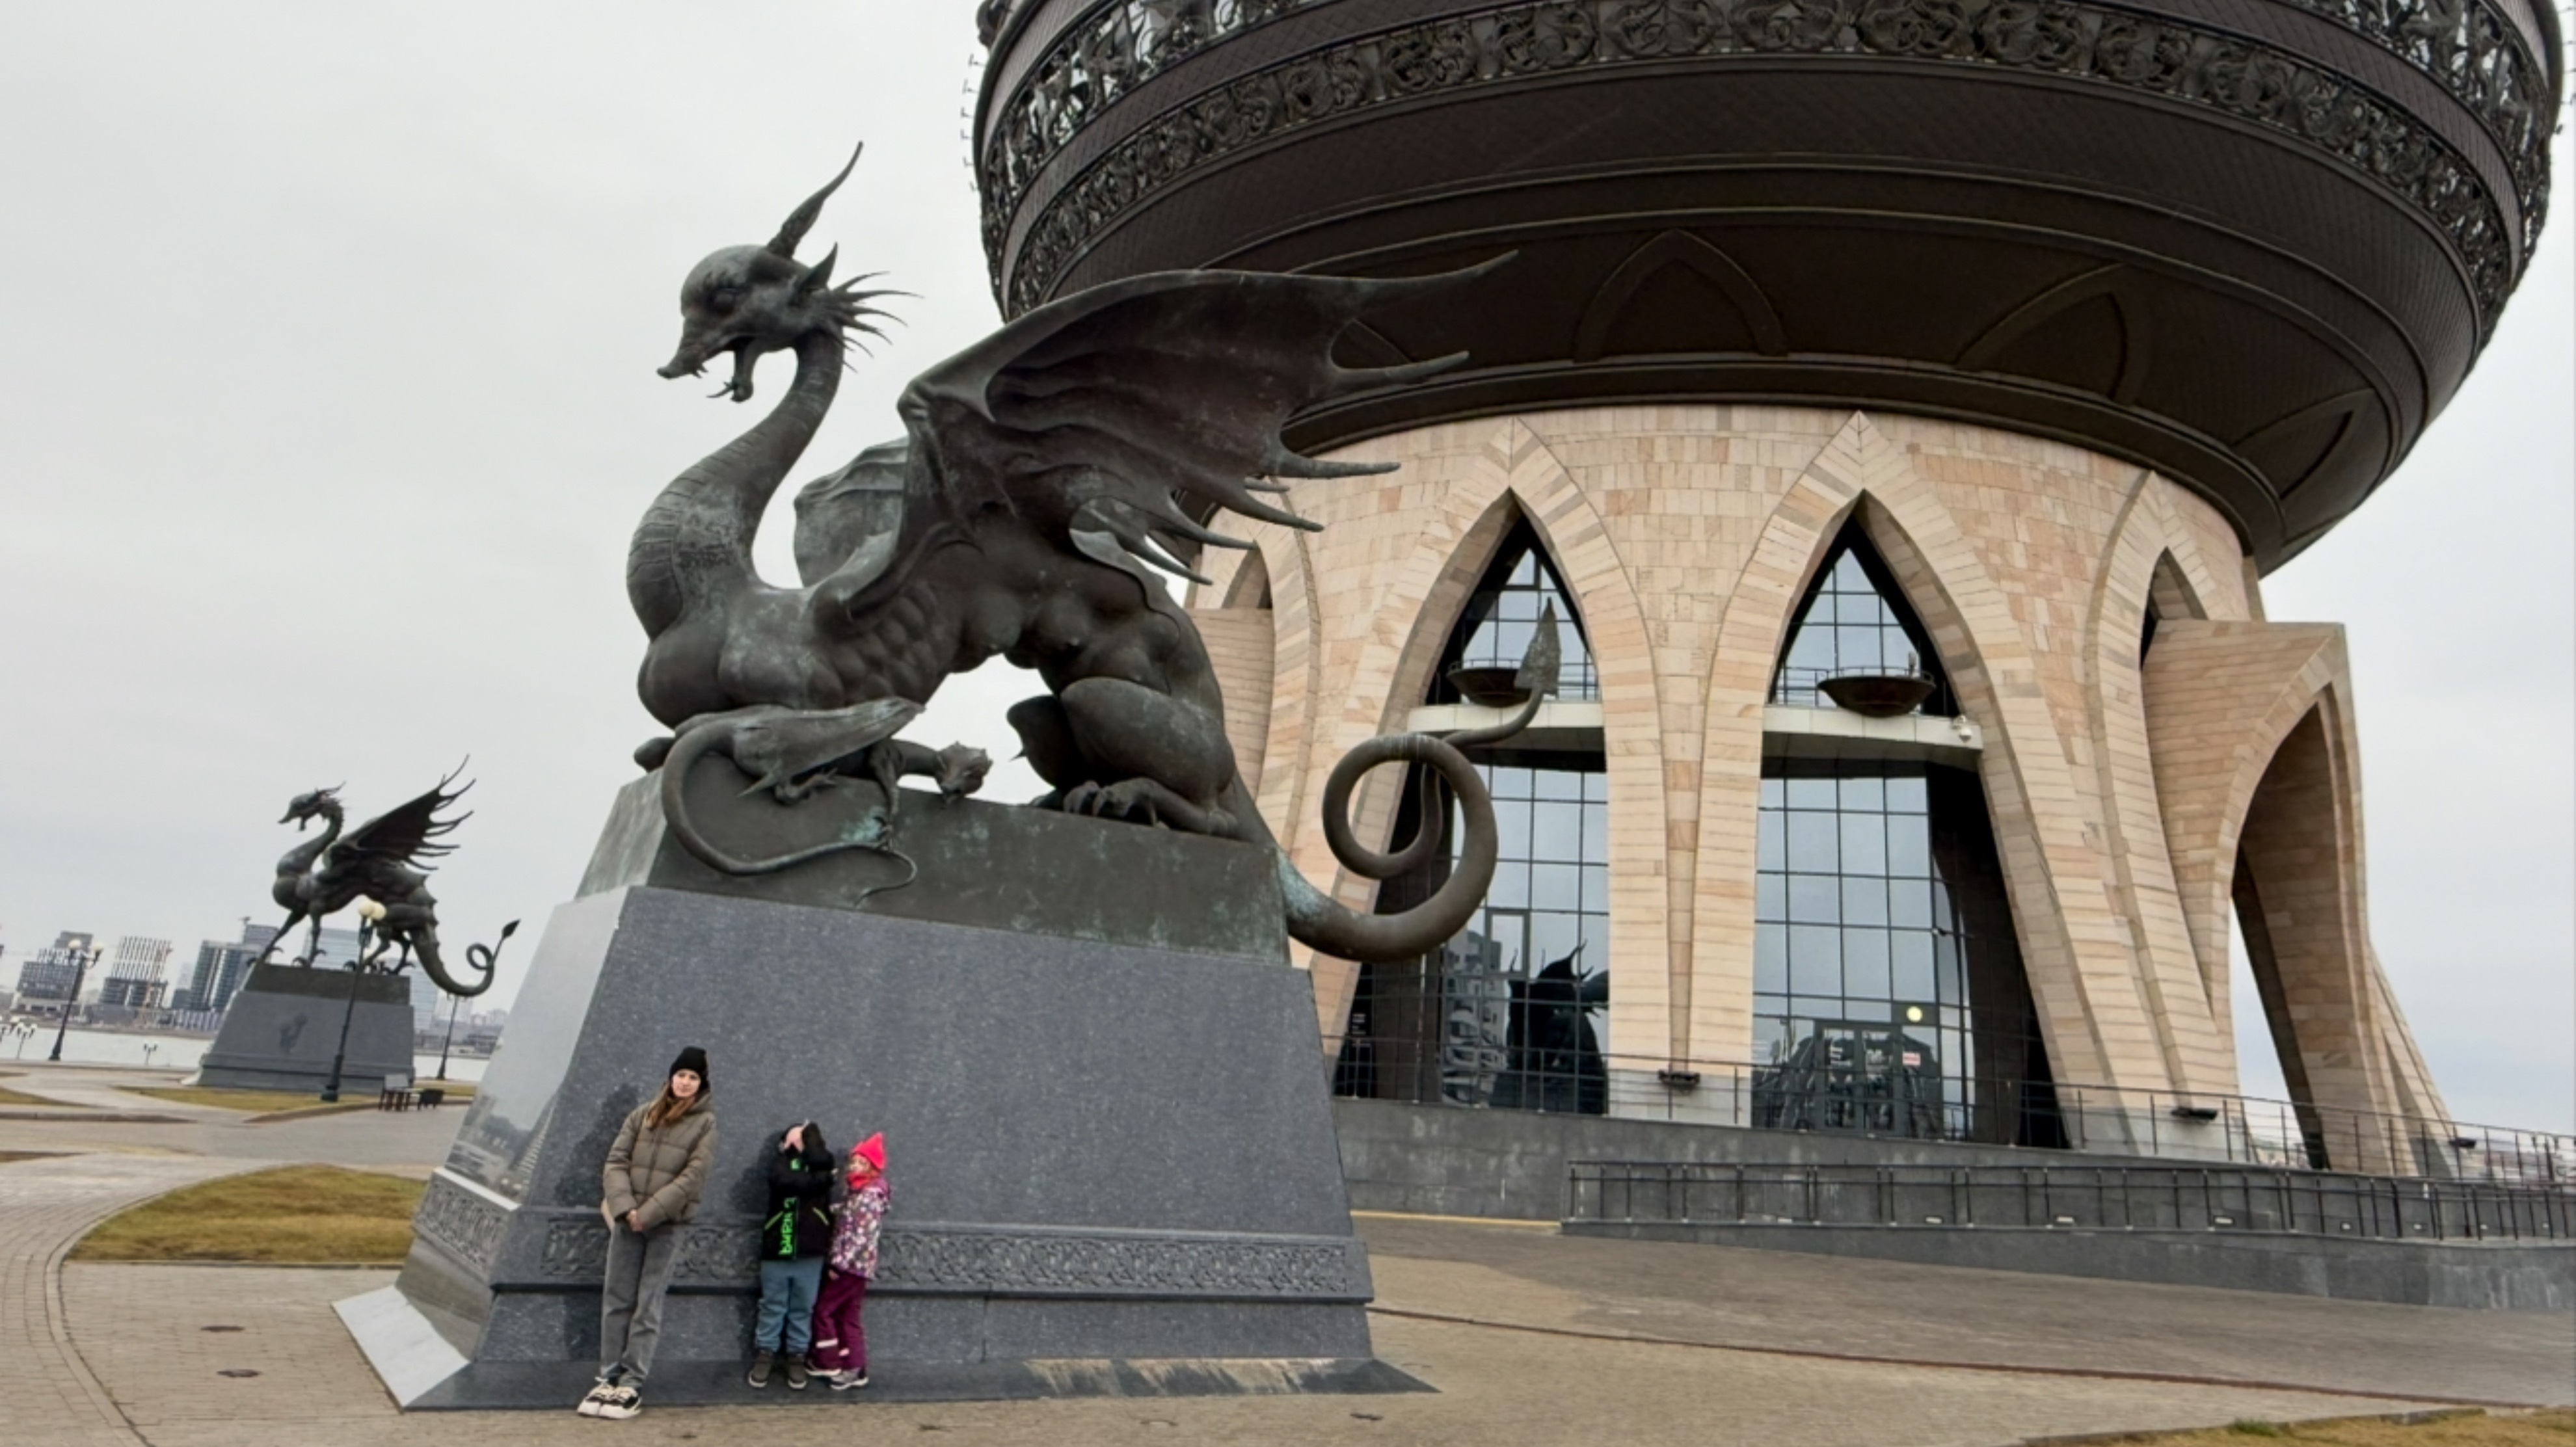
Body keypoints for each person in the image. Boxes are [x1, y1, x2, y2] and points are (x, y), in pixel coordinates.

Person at [578, 1047, 718, 1421]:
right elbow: (615, 1161)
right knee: (617, 1299)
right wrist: (627, 1208)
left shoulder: (706, 1124)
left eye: (693, 1077)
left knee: (647, 1303)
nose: (685, 1082)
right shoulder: (642, 1114)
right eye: (681, 1074)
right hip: (628, 1220)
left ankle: (632, 1382)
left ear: (701, 1084)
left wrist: (650, 1213)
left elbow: (694, 1176)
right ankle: (608, 1377)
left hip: (666, 1225)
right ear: (671, 1077)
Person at [747, 1119, 835, 1389]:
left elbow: (823, 1177)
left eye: (804, 1138)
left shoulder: (822, 1166)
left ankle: (797, 1355)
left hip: (811, 1250)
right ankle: (765, 1352)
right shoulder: (779, 1164)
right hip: (778, 1248)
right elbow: (785, 1182)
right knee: (772, 1305)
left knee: (803, 1307)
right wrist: (811, 1177)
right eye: (794, 1138)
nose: (798, 1143)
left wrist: (814, 1149)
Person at [809, 1132, 888, 1390]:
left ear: (873, 1168)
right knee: (849, 1316)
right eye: (853, 1162)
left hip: (850, 1267)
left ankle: (828, 1361)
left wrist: (839, 1264)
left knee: (824, 1311)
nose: (854, 1166)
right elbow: (847, 1215)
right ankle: (855, 1367)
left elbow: (860, 1236)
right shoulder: (860, 1193)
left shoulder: (867, 1196)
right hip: (860, 1268)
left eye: (861, 1163)